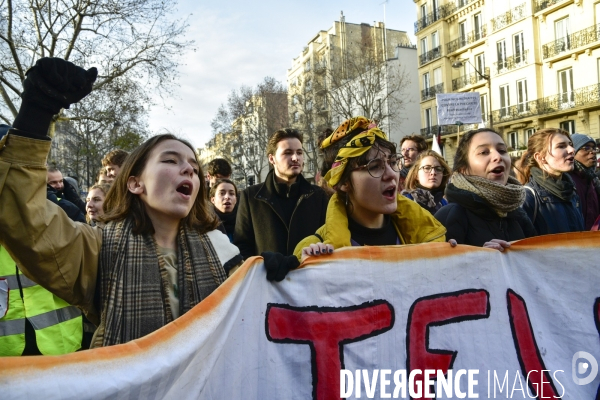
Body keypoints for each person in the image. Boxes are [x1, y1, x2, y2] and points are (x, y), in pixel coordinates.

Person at [0, 57, 242, 348]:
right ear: (135, 183)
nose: (189, 169)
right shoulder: (97, 248)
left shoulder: (222, 248)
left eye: (193, 165)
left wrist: (272, 273)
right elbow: (28, 224)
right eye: (170, 160)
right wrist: (36, 114)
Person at [294, 117, 447, 261]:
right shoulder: (314, 248)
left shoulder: (425, 235)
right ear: (344, 183)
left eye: (393, 162)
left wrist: (450, 257)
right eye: (374, 167)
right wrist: (311, 265)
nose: (391, 174)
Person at [435, 128, 536, 251]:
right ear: (463, 169)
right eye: (484, 152)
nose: (497, 156)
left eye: (502, 150)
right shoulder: (451, 214)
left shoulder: (518, 214)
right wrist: (480, 257)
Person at [234, 128, 328, 259]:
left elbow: (327, 239)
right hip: (268, 277)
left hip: (309, 276)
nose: (295, 158)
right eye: (288, 153)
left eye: (299, 153)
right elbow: (243, 246)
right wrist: (263, 269)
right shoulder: (250, 197)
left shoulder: (319, 196)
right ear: (272, 159)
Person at [519, 128, 584, 234]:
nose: (572, 150)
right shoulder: (528, 196)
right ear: (540, 157)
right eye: (561, 146)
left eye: (570, 144)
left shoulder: (572, 191)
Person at [401, 150, 450, 215]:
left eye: (438, 169)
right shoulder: (405, 201)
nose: (433, 173)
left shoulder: (445, 204)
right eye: (427, 168)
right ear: (416, 175)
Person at [568, 134, 600, 230]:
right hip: (576, 240)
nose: (593, 152)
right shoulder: (567, 180)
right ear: (573, 152)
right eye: (586, 148)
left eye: (594, 148)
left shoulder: (593, 179)